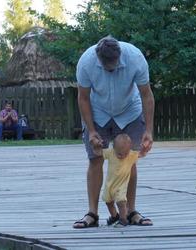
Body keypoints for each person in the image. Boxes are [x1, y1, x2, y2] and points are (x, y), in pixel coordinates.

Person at [73, 36, 154, 228]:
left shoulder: (135, 58)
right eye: (107, 66)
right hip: (98, 111)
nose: (112, 69)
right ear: (98, 58)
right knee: (95, 159)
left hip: (129, 111)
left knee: (129, 159)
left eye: (115, 65)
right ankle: (92, 214)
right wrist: (91, 131)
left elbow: (146, 94)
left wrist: (149, 130)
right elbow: (83, 98)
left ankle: (132, 211)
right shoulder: (86, 62)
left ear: (120, 55)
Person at [98, 134, 150, 227]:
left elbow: (142, 154)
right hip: (109, 185)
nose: (122, 156)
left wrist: (144, 149)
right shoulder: (110, 153)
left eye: (125, 153)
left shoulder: (130, 155)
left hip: (121, 185)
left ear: (129, 149)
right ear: (113, 148)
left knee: (121, 202)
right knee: (108, 202)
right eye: (119, 154)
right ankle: (115, 216)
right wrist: (96, 146)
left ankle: (123, 219)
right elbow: (98, 153)